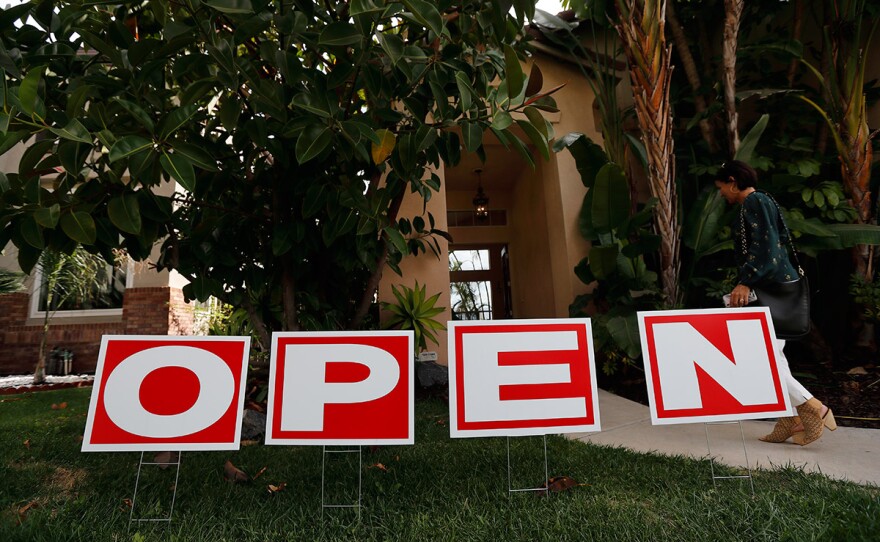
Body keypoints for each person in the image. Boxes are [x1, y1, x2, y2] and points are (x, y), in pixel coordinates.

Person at [715, 160, 836, 446]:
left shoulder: (754, 201)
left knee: (764, 358)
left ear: (733, 181)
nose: (722, 194)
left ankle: (815, 409)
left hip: (771, 290)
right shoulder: (761, 201)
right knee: (773, 358)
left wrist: (747, 280)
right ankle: (790, 419)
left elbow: (767, 249)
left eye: (722, 188)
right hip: (774, 287)